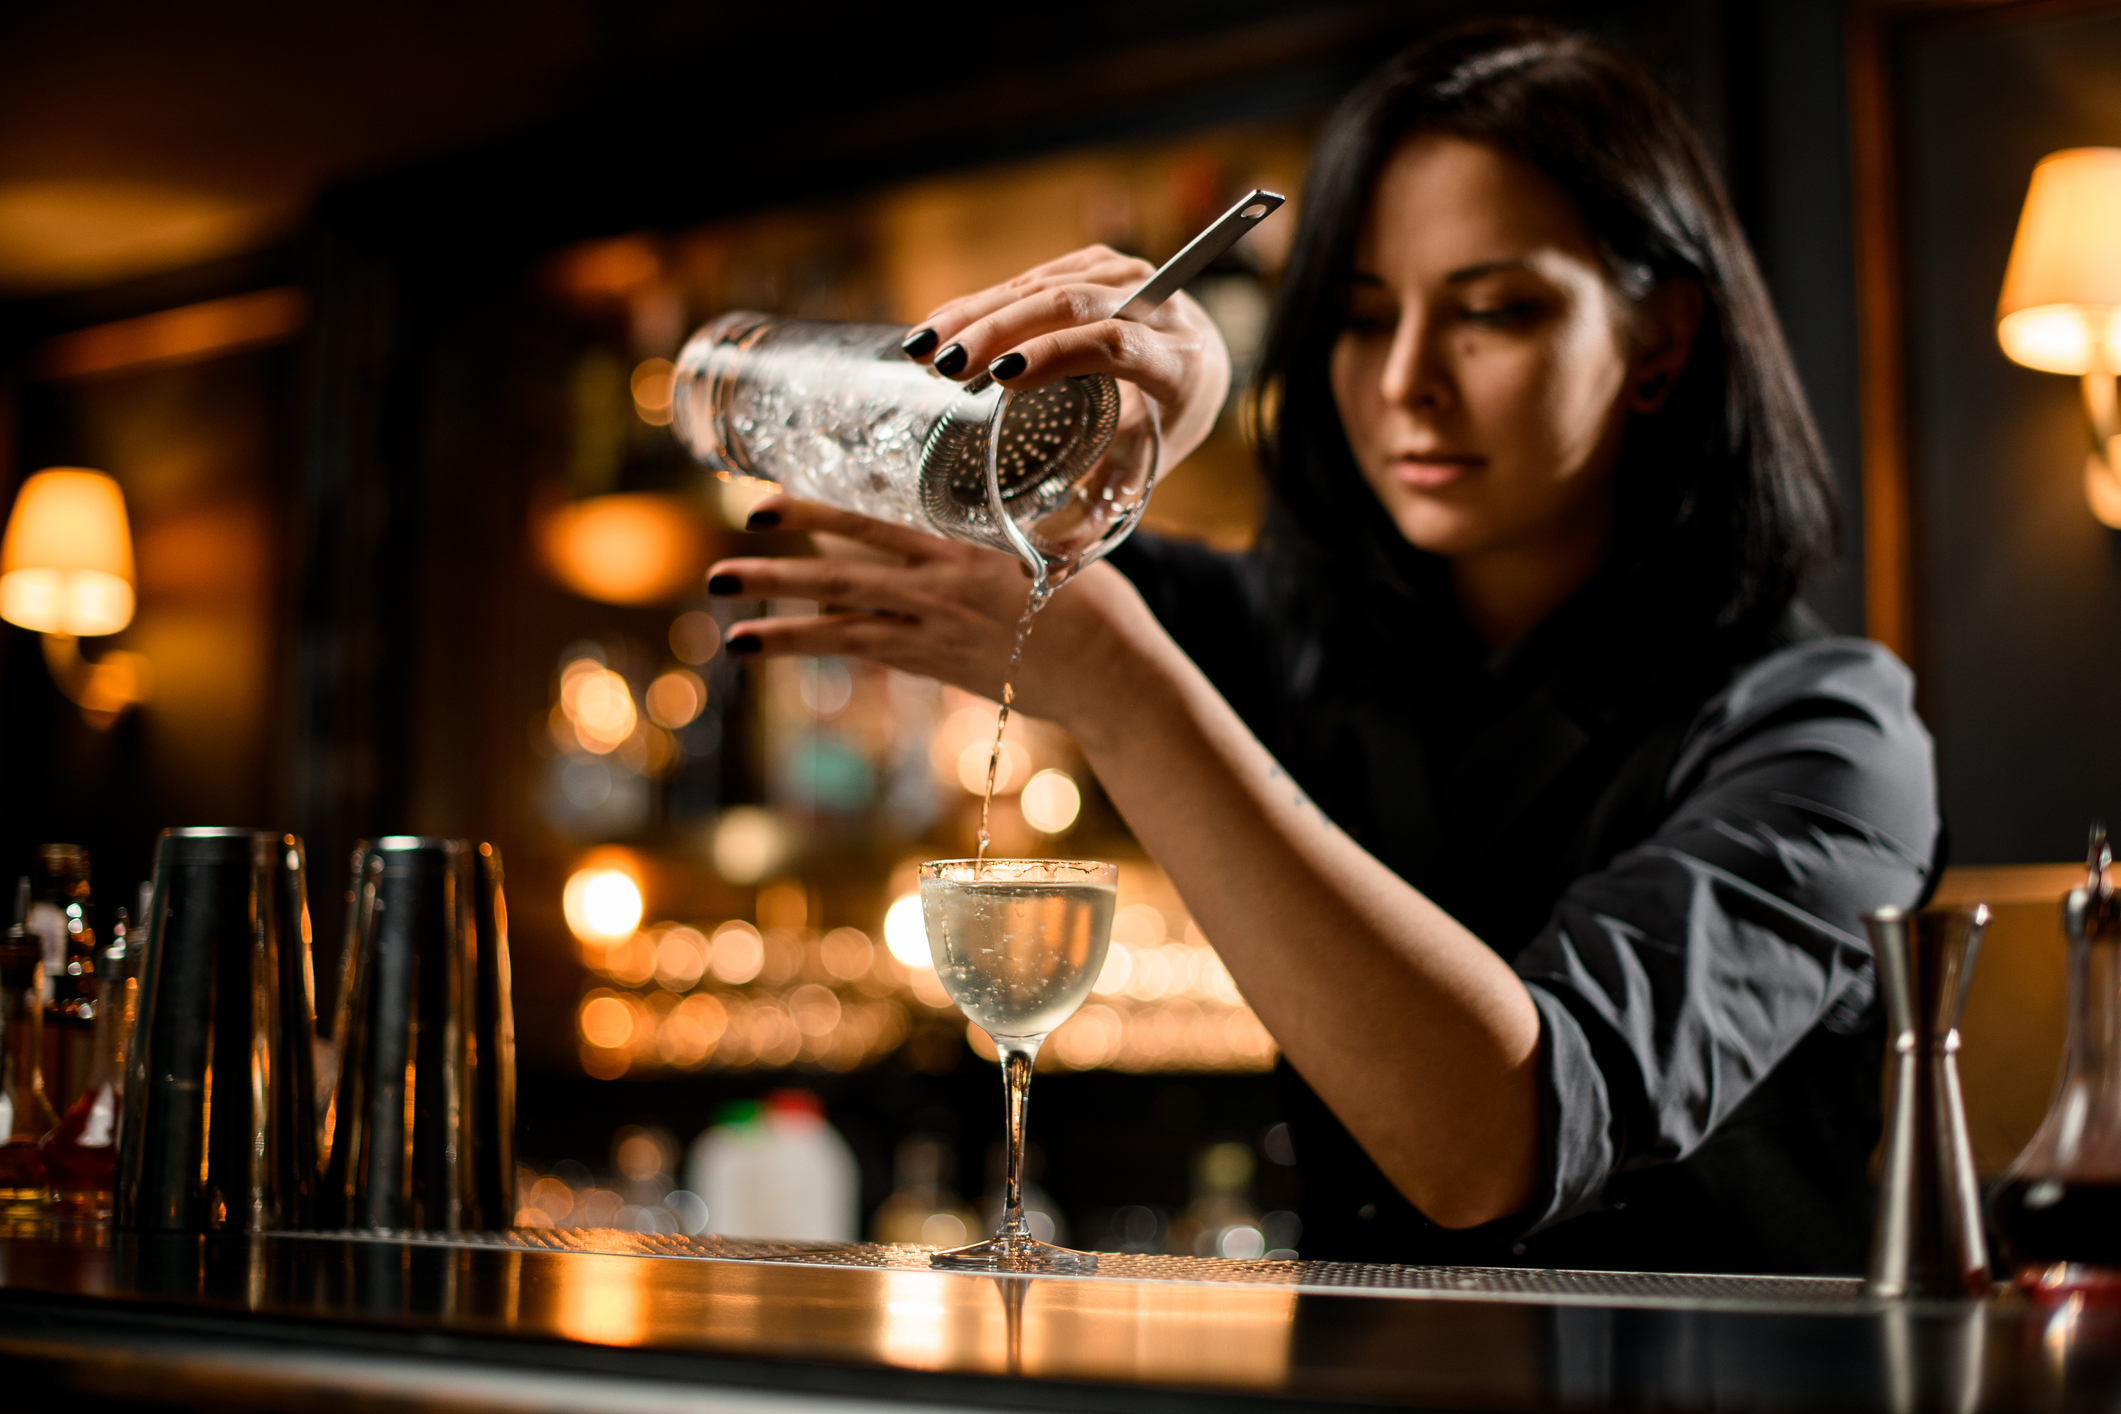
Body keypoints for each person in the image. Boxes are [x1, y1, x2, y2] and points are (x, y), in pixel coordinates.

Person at [702, 19, 1938, 1274]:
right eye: (1360, 317)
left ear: (1661, 340)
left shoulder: (1828, 734)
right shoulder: (1294, 632)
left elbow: (1497, 1146)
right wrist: (1129, 436)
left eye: (1495, 311)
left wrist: (1126, 692)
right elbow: (901, 507)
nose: (1407, 378)